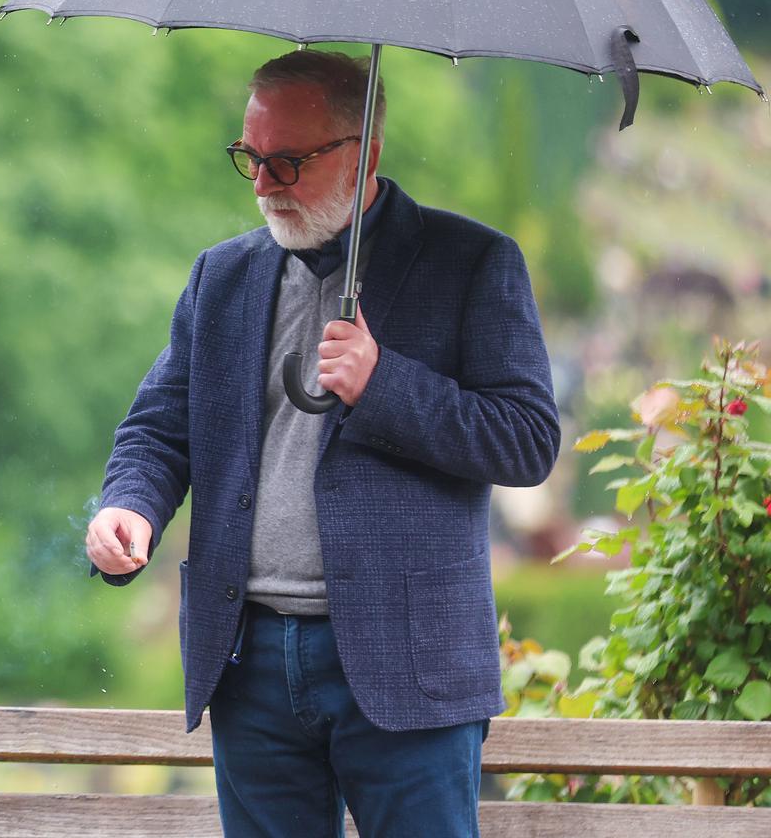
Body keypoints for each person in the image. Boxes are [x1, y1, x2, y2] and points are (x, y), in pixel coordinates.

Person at [84, 49, 559, 837]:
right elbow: (159, 427)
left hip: (410, 666)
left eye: (288, 162)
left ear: (364, 150)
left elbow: (526, 440)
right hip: (250, 659)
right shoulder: (222, 276)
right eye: (250, 158)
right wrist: (129, 505)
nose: (264, 183)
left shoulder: (474, 262)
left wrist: (385, 384)